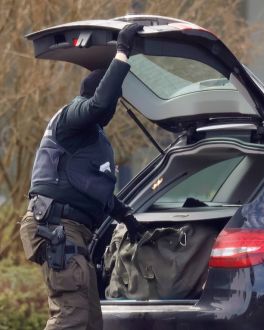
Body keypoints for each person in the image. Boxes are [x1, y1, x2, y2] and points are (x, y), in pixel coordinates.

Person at [19, 23, 146, 330]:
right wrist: (123, 52)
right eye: (112, 99)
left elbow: (89, 188)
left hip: (71, 230)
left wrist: (126, 216)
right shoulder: (72, 117)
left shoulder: (90, 138)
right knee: (72, 318)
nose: (111, 108)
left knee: (89, 321)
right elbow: (100, 103)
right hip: (57, 227)